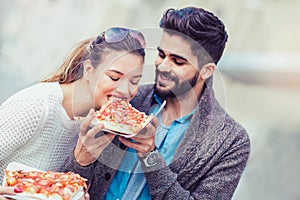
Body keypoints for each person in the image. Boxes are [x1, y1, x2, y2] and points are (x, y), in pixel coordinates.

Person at [64, 6, 251, 200]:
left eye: (178, 61)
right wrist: (81, 160)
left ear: (206, 70)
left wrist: (150, 157)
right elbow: (66, 184)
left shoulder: (231, 142)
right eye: (162, 55)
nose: (162, 66)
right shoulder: (126, 98)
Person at [0, 26, 146, 192]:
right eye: (114, 77)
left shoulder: (97, 126)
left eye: (134, 82)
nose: (125, 90)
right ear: (89, 70)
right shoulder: (36, 106)